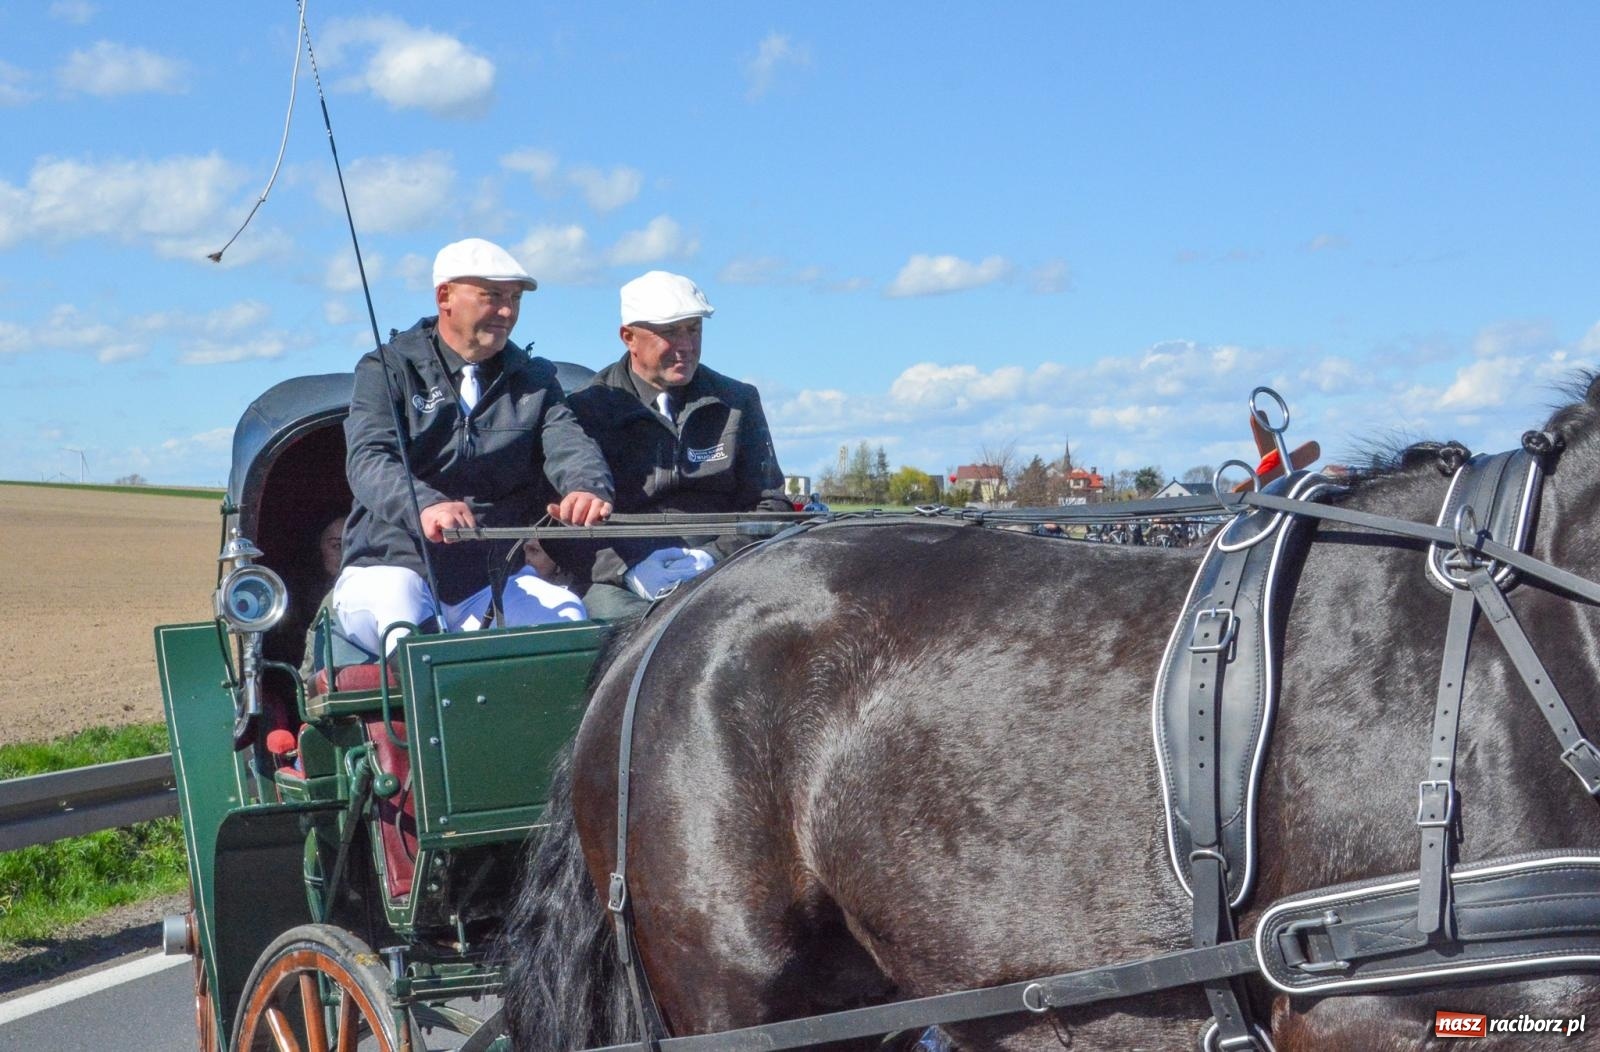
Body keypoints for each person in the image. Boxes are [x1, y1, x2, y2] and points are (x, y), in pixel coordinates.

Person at [333, 237, 612, 656]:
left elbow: (568, 443)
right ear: (445, 296)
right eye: (492, 296)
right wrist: (426, 505)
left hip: (489, 580)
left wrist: (587, 487)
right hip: (389, 568)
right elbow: (370, 460)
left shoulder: (534, 380)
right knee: (402, 618)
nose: (507, 312)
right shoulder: (388, 368)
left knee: (565, 621)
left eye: (514, 299)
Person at [566, 270, 789, 620]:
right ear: (629, 337)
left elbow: (770, 506)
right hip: (621, 582)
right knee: (630, 635)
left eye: (694, 330)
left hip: (724, 571)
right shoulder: (584, 409)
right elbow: (559, 523)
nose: (685, 345)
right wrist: (627, 571)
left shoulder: (736, 403)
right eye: (670, 332)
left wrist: (713, 558)